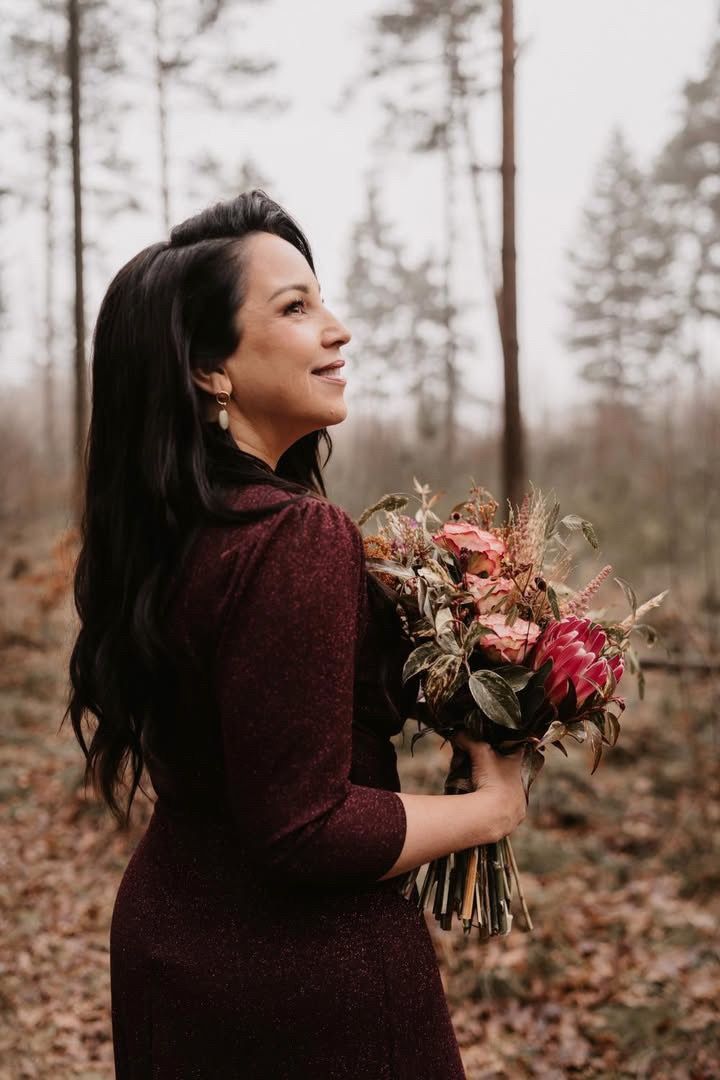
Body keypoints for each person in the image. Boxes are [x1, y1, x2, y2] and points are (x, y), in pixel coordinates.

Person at [65, 189, 527, 1079]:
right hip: (304, 988)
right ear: (211, 369)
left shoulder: (164, 527)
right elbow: (305, 825)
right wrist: (491, 809)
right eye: (296, 307)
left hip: (173, 946)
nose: (338, 329)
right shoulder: (294, 536)